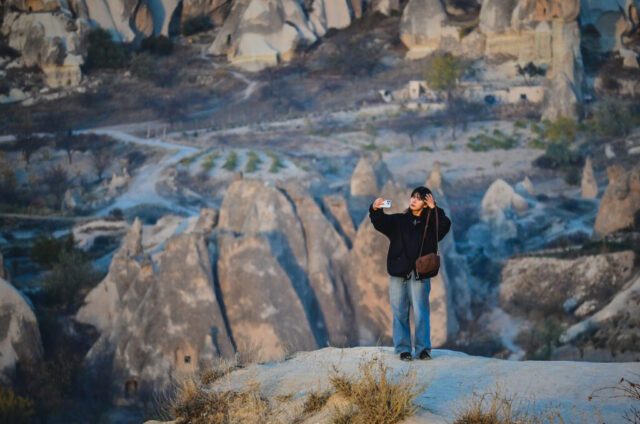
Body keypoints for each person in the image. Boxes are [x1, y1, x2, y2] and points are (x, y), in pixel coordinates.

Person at [369, 186, 451, 361]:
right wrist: (375, 209)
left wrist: (434, 209)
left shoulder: (430, 224)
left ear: (426, 203)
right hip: (399, 274)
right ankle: (403, 350)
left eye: (419, 198)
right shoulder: (399, 220)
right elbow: (380, 222)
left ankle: (423, 350)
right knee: (399, 312)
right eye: (413, 197)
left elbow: (444, 226)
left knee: (421, 313)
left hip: (420, 274)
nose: (413, 200)